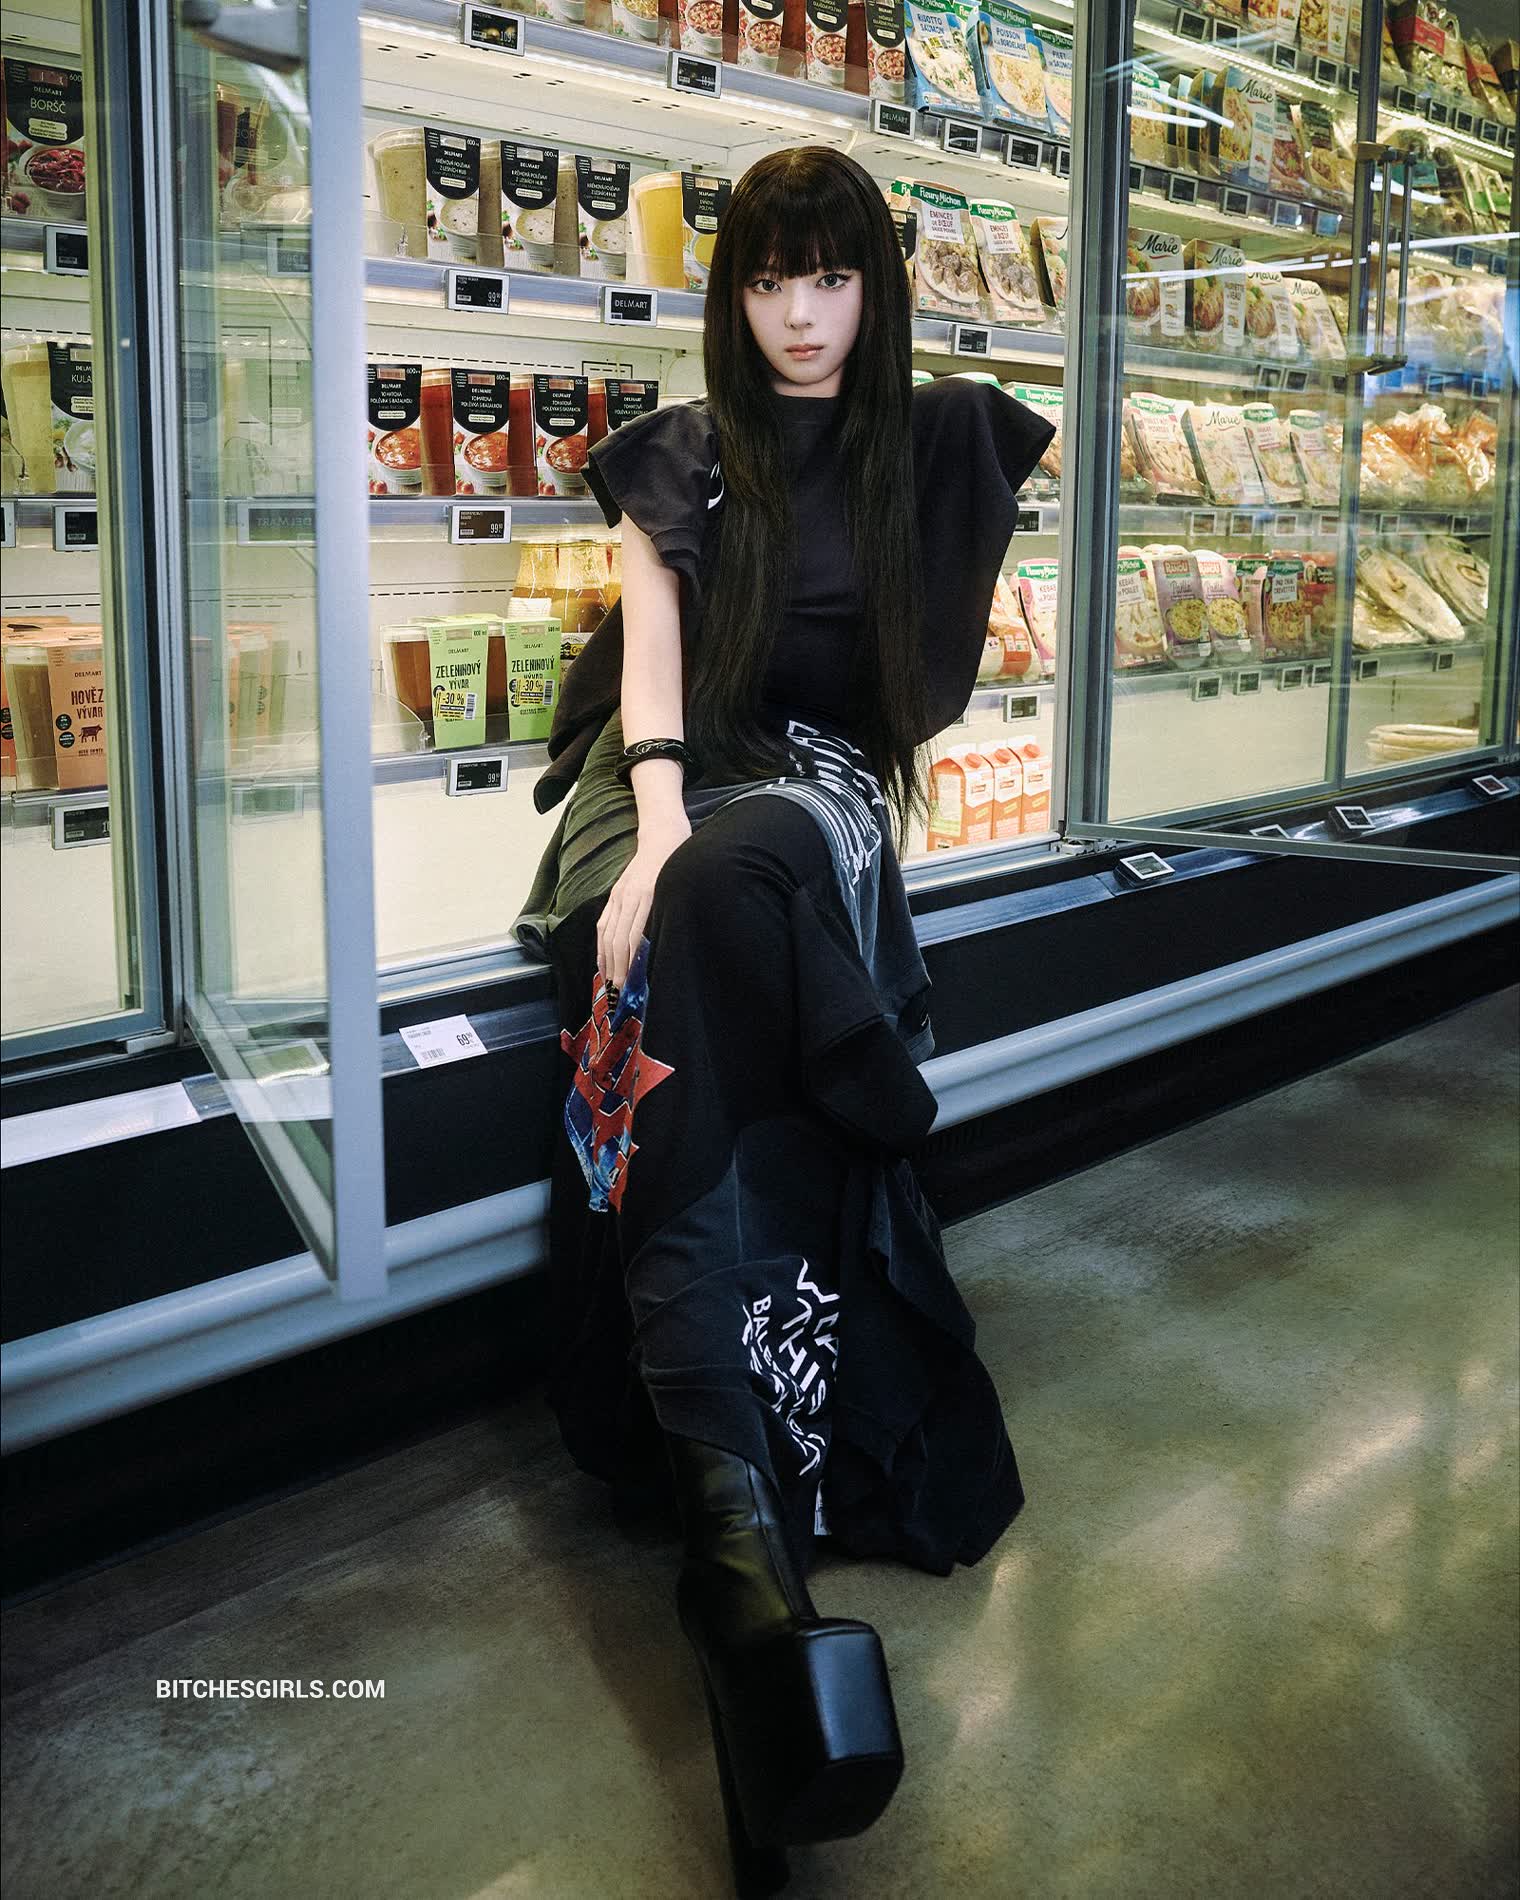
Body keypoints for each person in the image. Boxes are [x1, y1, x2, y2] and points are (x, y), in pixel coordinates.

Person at [512, 146, 1054, 1896]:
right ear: (729, 294)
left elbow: (898, 711)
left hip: (812, 788)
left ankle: (727, 1547)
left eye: (830, 276)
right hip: (661, 782)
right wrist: (655, 835)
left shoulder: (936, 440)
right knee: (687, 912)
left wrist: (699, 860)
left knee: (729, 902)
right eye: (764, 279)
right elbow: (652, 674)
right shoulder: (681, 452)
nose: (799, 315)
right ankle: (749, 1564)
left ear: (875, 286)